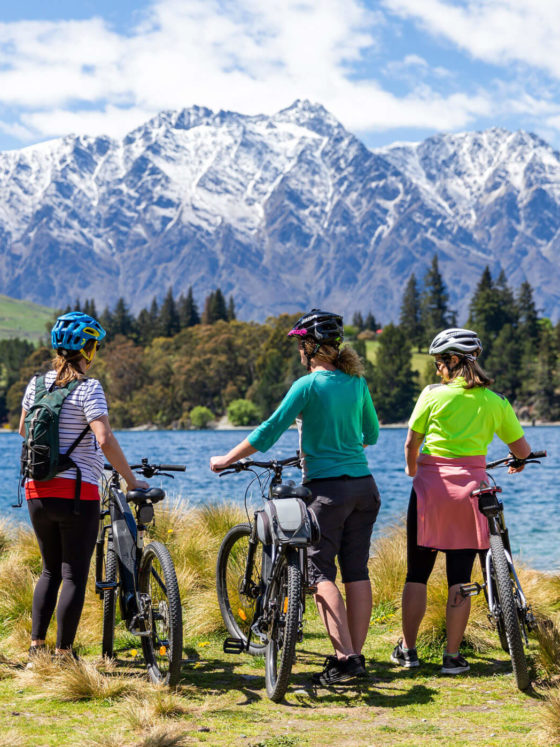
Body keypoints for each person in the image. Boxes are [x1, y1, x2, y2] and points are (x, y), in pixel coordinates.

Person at [210, 309, 381, 685]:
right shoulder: (356, 383)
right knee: (356, 572)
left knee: (318, 573)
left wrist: (225, 460)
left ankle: (345, 657)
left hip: (327, 491)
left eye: (300, 344)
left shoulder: (308, 386)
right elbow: (371, 435)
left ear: (310, 346)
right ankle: (355, 657)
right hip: (364, 488)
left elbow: (268, 432)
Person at [392, 327, 532, 674]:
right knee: (460, 574)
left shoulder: (432, 395)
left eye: (440, 362)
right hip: (472, 493)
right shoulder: (496, 401)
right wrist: (517, 461)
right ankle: (452, 657)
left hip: (431, 492)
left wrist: (413, 471)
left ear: (453, 361)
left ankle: (408, 651)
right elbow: (522, 451)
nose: (437, 368)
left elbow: (412, 444)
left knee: (417, 573)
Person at [20, 311, 148, 659]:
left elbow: (22, 431)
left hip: (36, 490)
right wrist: (131, 479)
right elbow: (104, 439)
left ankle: (37, 650)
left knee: (49, 569)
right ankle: (64, 655)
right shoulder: (88, 387)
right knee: (73, 574)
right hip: (76, 493)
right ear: (87, 350)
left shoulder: (36, 385)